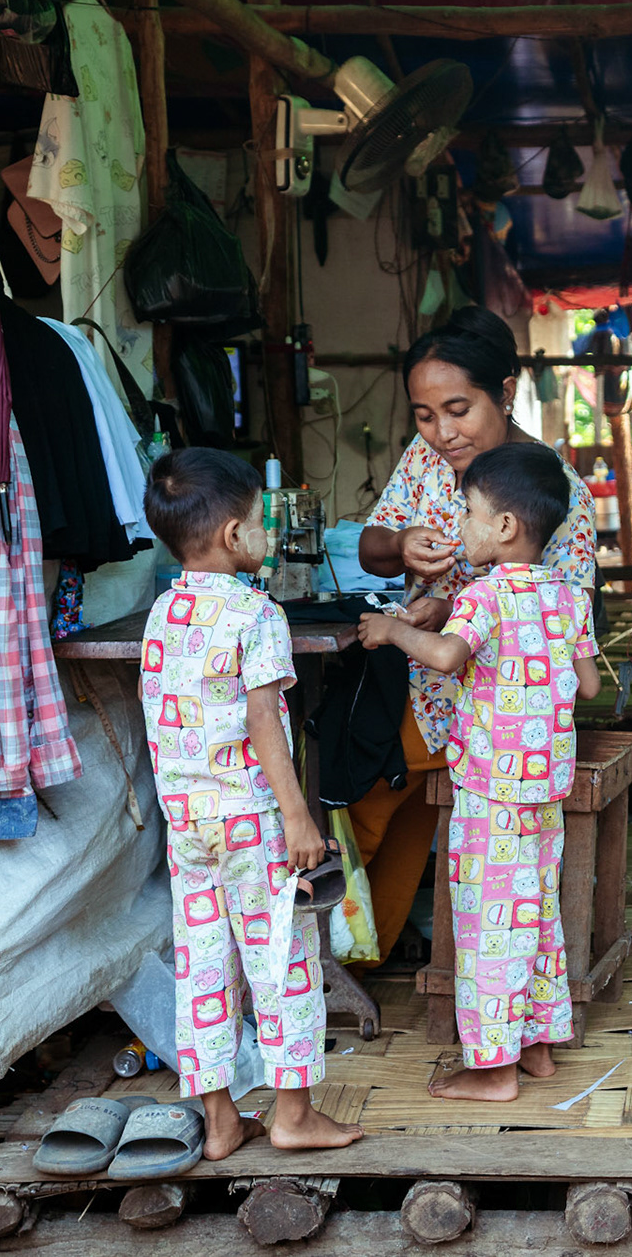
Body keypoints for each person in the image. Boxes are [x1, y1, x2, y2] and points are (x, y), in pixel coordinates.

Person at [350, 307, 597, 965]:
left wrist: (449, 613)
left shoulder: (555, 490)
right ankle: (349, 964)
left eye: (457, 409)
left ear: (505, 392)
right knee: (387, 815)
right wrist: (401, 546)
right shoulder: (426, 462)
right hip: (424, 688)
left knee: (371, 803)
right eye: (425, 415)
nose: (441, 432)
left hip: (498, 719)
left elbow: (564, 629)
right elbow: (371, 546)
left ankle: (340, 966)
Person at [359, 443, 602, 1101]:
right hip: (545, 790)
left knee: (489, 923)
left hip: (491, 791)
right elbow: (587, 686)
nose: (460, 525)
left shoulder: (482, 596)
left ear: (504, 528)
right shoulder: (567, 599)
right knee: (536, 914)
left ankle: (493, 1068)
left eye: (467, 513)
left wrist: (390, 630)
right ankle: (540, 1048)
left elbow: (443, 656)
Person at [140, 448, 364, 1157]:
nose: (268, 535)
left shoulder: (161, 615)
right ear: (236, 537)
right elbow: (265, 722)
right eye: (263, 523)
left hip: (188, 825)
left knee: (205, 967)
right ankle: (293, 1115)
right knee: (281, 960)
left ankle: (219, 1121)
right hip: (250, 819)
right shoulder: (255, 613)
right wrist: (299, 819)